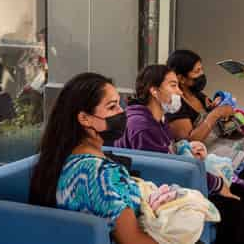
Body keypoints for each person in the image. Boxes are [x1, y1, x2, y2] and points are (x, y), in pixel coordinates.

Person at [115, 65, 244, 244]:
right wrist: (216, 183)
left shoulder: (157, 120)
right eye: (173, 85)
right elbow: (163, 168)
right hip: (160, 190)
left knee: (241, 193)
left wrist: (186, 149)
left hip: (174, 181)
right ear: (154, 90)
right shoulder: (142, 126)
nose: (180, 93)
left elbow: (166, 153)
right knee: (233, 206)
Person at [29, 73, 157, 244]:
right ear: (84, 118)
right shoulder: (100, 174)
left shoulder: (61, 156)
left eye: (120, 104)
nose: (122, 112)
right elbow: (132, 240)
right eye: (112, 107)